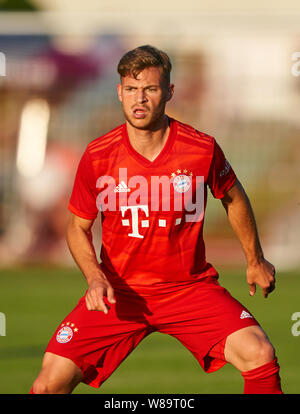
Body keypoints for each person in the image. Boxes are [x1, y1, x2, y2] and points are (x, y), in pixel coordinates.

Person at [30, 45, 283, 394]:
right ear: (119, 92)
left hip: (189, 290)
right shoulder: (98, 156)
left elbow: (233, 196)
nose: (140, 99)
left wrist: (254, 259)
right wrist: (94, 278)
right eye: (131, 89)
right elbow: (78, 226)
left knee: (260, 353)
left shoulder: (201, 149)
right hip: (119, 293)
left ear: (169, 92)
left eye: (150, 89)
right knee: (48, 384)